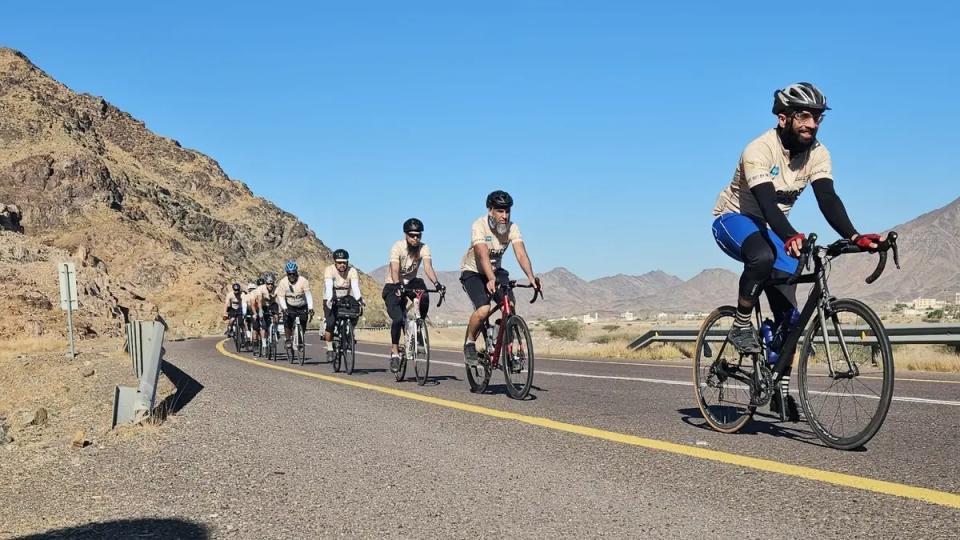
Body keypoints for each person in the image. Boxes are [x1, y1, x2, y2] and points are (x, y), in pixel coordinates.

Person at [712, 82, 884, 419]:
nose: (812, 124)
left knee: (790, 319)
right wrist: (790, 235)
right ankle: (741, 324)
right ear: (783, 118)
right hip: (735, 219)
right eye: (804, 116)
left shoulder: (818, 153)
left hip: (775, 228)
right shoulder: (758, 150)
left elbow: (828, 199)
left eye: (817, 117)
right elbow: (766, 203)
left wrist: (856, 236)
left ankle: (780, 388)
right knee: (762, 256)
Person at [460, 190, 540, 366]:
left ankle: (499, 340)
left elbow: (521, 254)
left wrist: (531, 277)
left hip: (496, 271)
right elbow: (482, 254)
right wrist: (490, 278)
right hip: (473, 272)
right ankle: (470, 343)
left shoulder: (512, 227)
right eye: (500, 211)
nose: (504, 215)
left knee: (509, 306)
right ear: (491, 210)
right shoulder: (479, 225)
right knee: (483, 310)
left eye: (507, 211)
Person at [381, 218, 444, 373]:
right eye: (412, 235)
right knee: (397, 318)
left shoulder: (424, 248)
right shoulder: (397, 247)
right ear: (406, 235)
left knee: (424, 295)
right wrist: (397, 286)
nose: (415, 238)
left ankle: (419, 328)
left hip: (412, 282)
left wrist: (437, 284)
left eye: (418, 235)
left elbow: (428, 267)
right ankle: (395, 352)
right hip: (393, 284)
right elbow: (395, 269)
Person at [322, 249, 363, 363]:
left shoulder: (352, 271)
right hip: (330, 298)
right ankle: (330, 348)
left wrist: (359, 299)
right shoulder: (329, 270)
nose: (342, 265)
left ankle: (349, 332)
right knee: (330, 323)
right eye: (339, 262)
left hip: (345, 298)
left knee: (355, 312)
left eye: (344, 262)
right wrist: (330, 299)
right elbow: (329, 286)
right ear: (335, 262)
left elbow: (355, 287)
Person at [276, 261, 314, 352]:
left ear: (296, 272)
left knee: (303, 321)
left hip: (302, 305)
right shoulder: (283, 282)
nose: (291, 276)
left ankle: (300, 339)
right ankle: (288, 340)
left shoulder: (303, 281)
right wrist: (284, 308)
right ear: (287, 274)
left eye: (293, 274)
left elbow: (308, 295)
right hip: (290, 305)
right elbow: (281, 297)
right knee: (287, 320)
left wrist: (311, 308)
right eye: (289, 274)